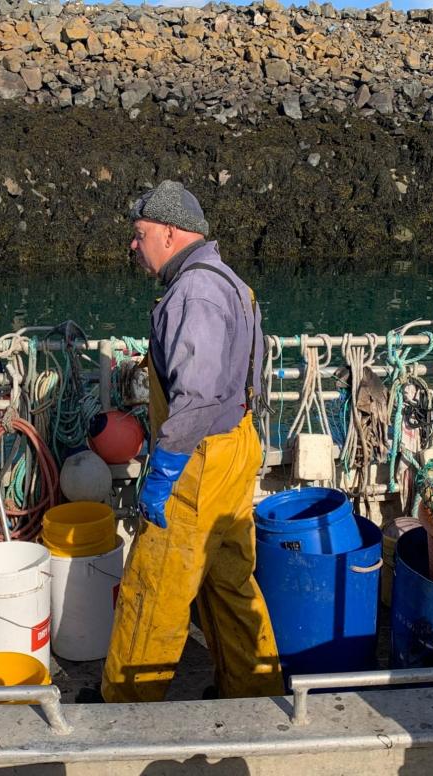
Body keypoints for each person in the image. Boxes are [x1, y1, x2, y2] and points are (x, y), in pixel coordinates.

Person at [101, 180, 282, 703]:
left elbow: (197, 396)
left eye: (139, 235)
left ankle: (126, 709)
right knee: (231, 585)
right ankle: (255, 693)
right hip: (235, 449)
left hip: (197, 464)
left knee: (154, 588)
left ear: (169, 232)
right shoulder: (231, 283)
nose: (133, 247)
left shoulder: (193, 293)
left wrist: (162, 472)